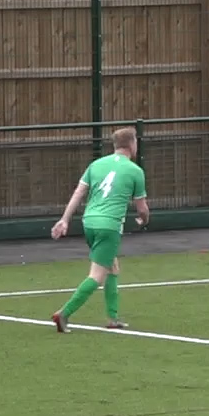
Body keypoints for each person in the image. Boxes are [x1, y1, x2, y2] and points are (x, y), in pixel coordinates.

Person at [49, 126, 150, 332]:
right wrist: (144, 219)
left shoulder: (95, 165)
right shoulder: (135, 171)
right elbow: (142, 208)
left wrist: (64, 220)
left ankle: (113, 318)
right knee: (96, 276)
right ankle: (64, 314)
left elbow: (78, 193)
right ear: (132, 145)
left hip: (90, 222)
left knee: (112, 265)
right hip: (109, 225)